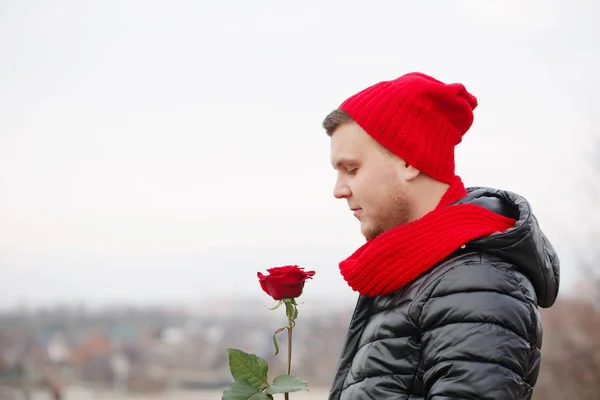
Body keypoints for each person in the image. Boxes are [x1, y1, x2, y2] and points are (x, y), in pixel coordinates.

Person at [323, 72, 560, 399]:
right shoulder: (412, 271)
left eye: (352, 169)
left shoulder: (477, 284)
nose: (339, 190)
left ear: (409, 161)